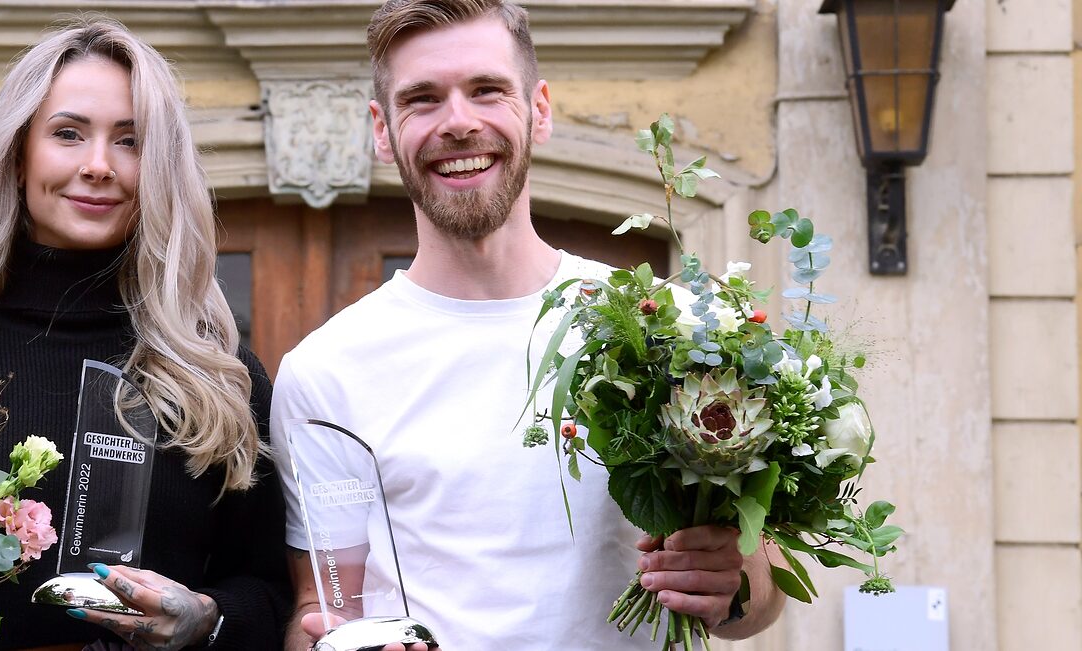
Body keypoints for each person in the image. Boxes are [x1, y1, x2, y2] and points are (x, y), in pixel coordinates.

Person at [270, 1, 788, 649]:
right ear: (382, 128)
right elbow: (324, 606)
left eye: (486, 90)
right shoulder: (326, 372)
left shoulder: (669, 329)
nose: (458, 122)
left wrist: (735, 583)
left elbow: (764, 585)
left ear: (539, 109)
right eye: (422, 99)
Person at [0, 18, 290, 651]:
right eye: (68, 134)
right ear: (18, 156)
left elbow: (270, 591)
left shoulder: (217, 377)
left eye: (130, 141)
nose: (98, 166)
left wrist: (207, 618)